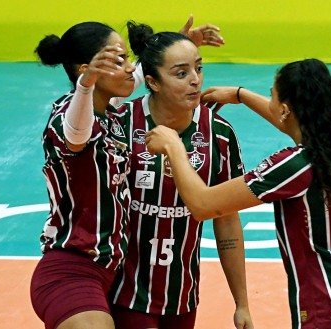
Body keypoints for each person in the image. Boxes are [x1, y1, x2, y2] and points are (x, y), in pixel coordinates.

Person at [145, 58, 331, 329]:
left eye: (271, 97)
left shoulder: (295, 167)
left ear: (286, 109)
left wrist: (174, 147)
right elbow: (293, 121)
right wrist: (240, 95)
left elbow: (204, 205)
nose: (270, 103)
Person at [30, 18, 226, 329]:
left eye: (126, 58)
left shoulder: (107, 111)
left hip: (112, 275)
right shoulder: (68, 118)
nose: (128, 68)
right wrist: (87, 82)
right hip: (72, 270)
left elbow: (143, 77)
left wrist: (179, 44)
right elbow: (76, 135)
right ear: (86, 70)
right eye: (117, 60)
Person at [109, 23, 254, 329]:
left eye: (198, 69)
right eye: (181, 73)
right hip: (125, 291)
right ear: (152, 82)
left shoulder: (219, 134)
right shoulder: (120, 124)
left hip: (183, 296)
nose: (195, 81)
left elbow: (226, 219)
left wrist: (242, 303)